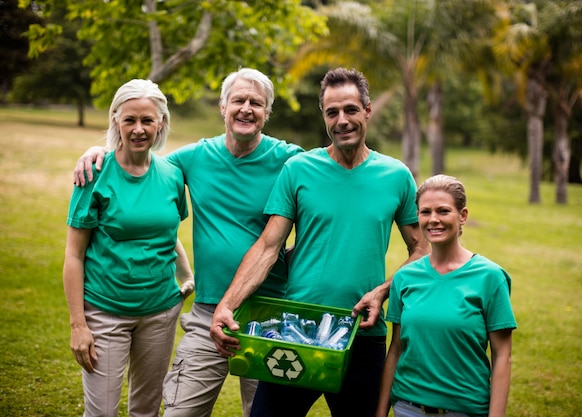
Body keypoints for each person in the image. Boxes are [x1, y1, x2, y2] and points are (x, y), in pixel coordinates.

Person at [73, 68, 304, 417]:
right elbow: (141, 163)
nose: (246, 108)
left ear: (267, 113)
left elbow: (328, 194)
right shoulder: (194, 158)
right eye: (238, 100)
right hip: (208, 311)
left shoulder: (290, 160)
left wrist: (294, 257)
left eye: (256, 103)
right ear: (223, 107)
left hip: (269, 315)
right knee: (179, 412)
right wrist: (98, 151)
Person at [209, 67, 430, 417]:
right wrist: (227, 304)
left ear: (367, 111)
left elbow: (421, 248)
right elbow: (268, 247)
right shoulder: (299, 170)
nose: (342, 120)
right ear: (324, 116)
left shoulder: (396, 176)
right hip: (295, 329)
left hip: (362, 335)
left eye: (351, 110)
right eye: (332, 112)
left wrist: (383, 291)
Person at [63, 79, 194, 417]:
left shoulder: (171, 175)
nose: (138, 129)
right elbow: (74, 256)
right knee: (102, 412)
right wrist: (78, 324)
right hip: (105, 313)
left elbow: (167, 234)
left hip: (161, 313)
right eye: (129, 120)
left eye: (147, 120)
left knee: (146, 410)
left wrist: (187, 276)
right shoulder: (94, 173)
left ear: (160, 123)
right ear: (116, 121)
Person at [376, 174, 517, 417]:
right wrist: (380, 412)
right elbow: (396, 350)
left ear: (462, 215)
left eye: (443, 211)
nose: (433, 220)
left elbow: (502, 356)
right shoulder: (404, 278)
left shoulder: (490, 278)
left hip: (465, 411)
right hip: (408, 409)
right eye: (425, 212)